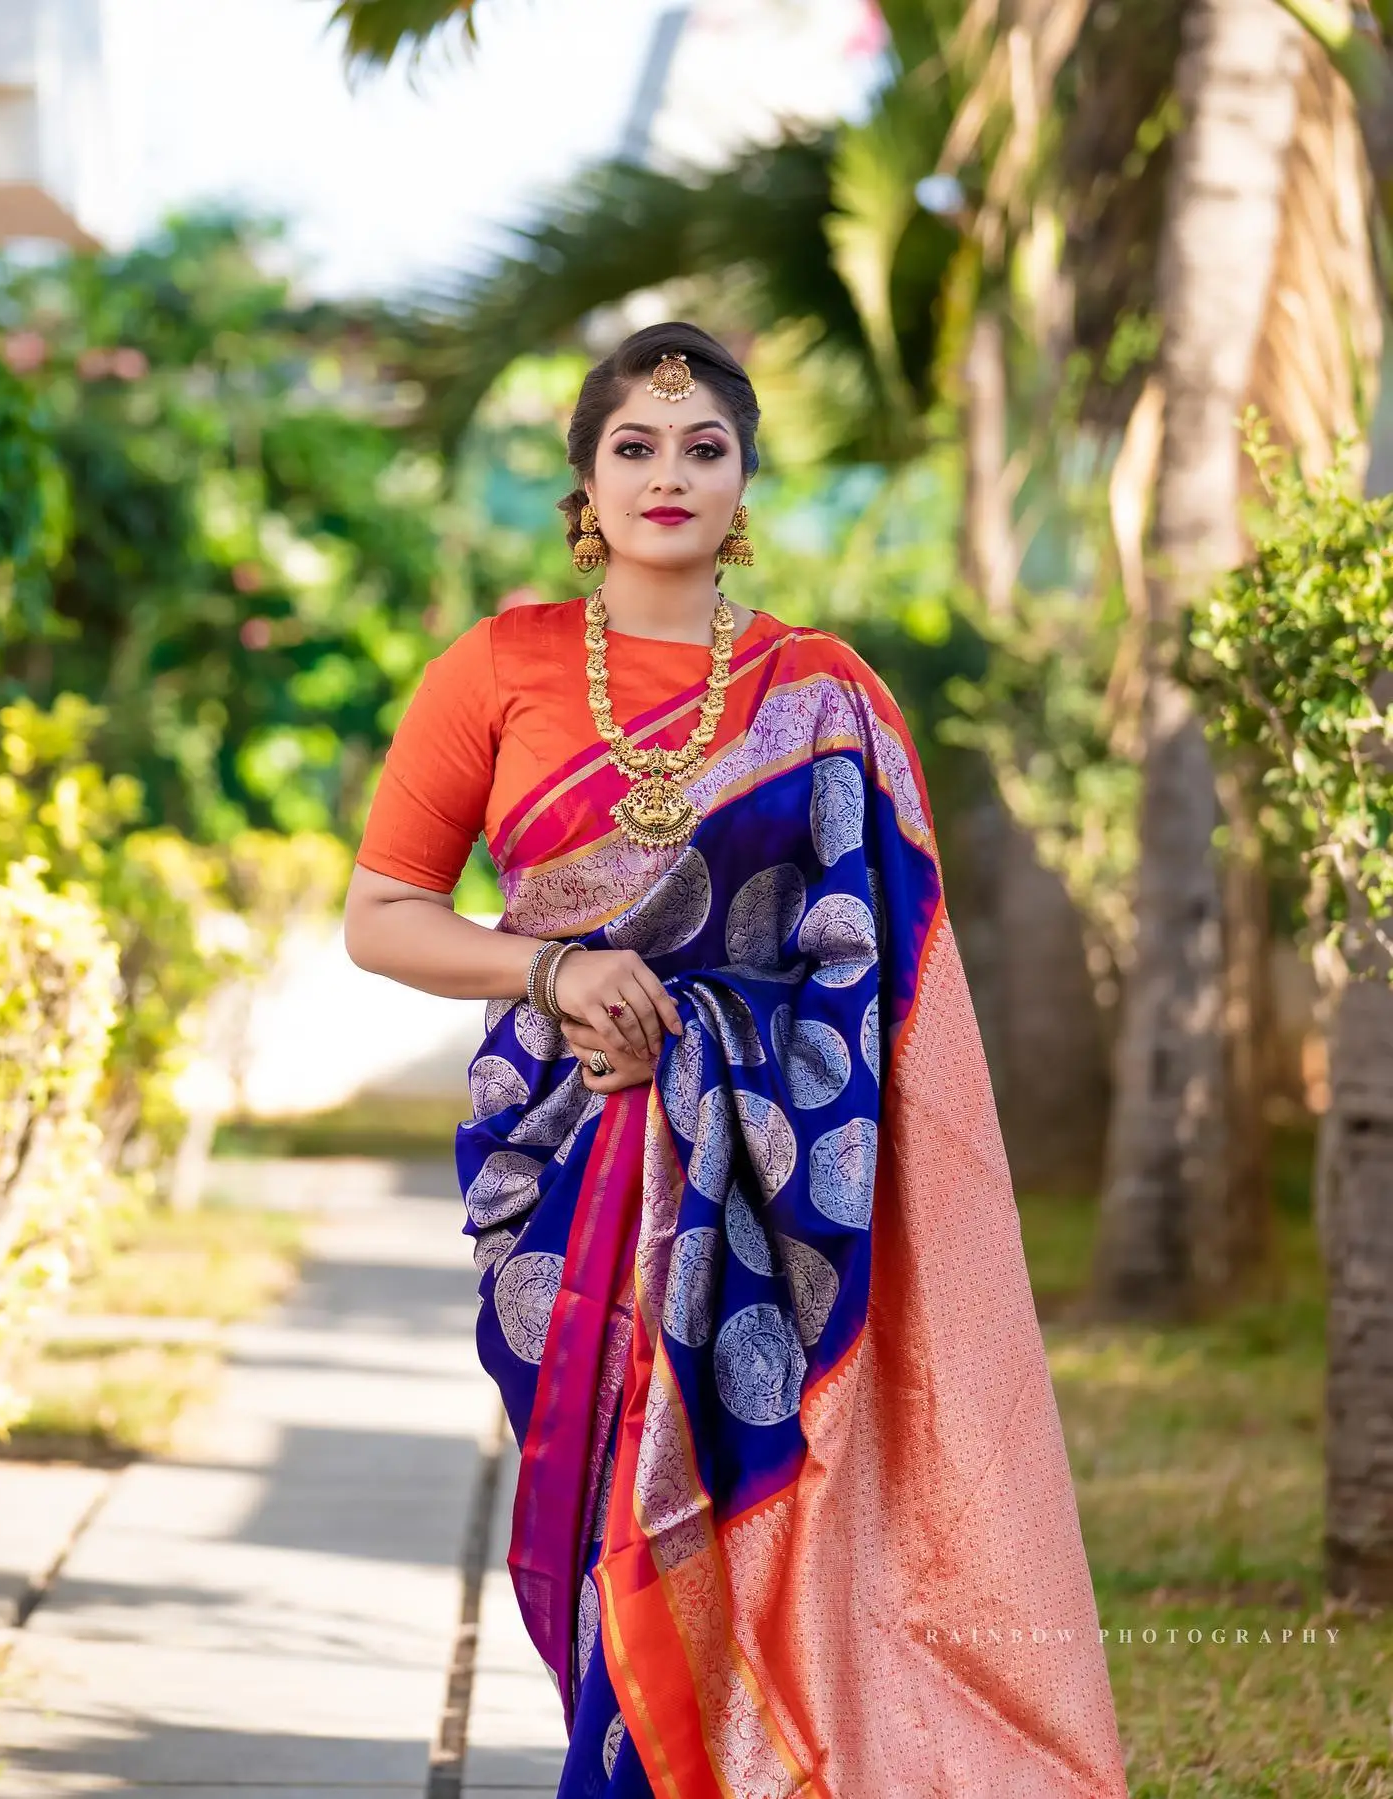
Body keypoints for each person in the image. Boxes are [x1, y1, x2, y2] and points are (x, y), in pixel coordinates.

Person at [343, 323, 1128, 1799]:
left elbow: (878, 978)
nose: (668, 473)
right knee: (608, 1510)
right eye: (634, 445)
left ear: (746, 481)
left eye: (704, 447)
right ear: (585, 478)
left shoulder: (819, 692)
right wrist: (557, 966)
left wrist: (710, 1036)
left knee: (729, 1488)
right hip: (565, 1165)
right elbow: (381, 919)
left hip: (768, 1181)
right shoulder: (496, 667)